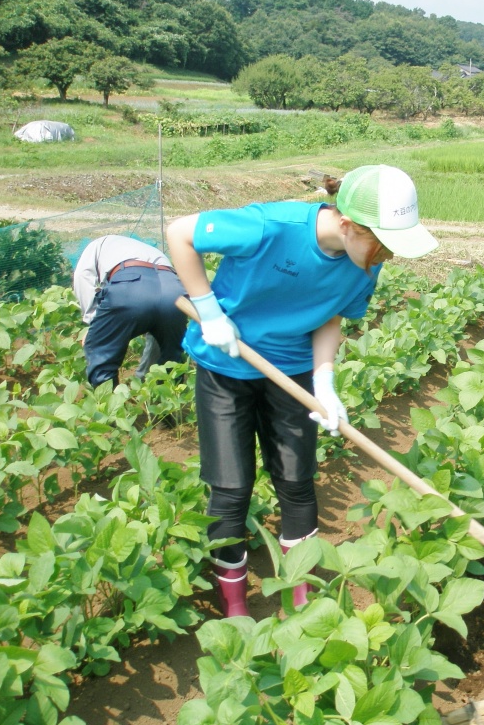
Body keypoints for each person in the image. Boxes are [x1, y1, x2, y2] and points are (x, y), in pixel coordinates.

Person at [165, 164, 440, 618]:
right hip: (226, 366)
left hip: (292, 374)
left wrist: (325, 381)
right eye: (383, 243)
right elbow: (180, 233)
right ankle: (235, 612)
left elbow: (328, 315)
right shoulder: (270, 227)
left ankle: (301, 605)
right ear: (348, 225)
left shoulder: (365, 261)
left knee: (296, 482)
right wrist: (208, 309)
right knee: (231, 489)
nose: (387, 255)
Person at [73, 234, 188, 387]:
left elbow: (82, 276)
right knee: (169, 362)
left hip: (131, 285)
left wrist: (92, 322)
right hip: (174, 292)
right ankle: (155, 399)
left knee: (100, 353)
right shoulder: (150, 250)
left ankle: (110, 405)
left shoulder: (98, 244)